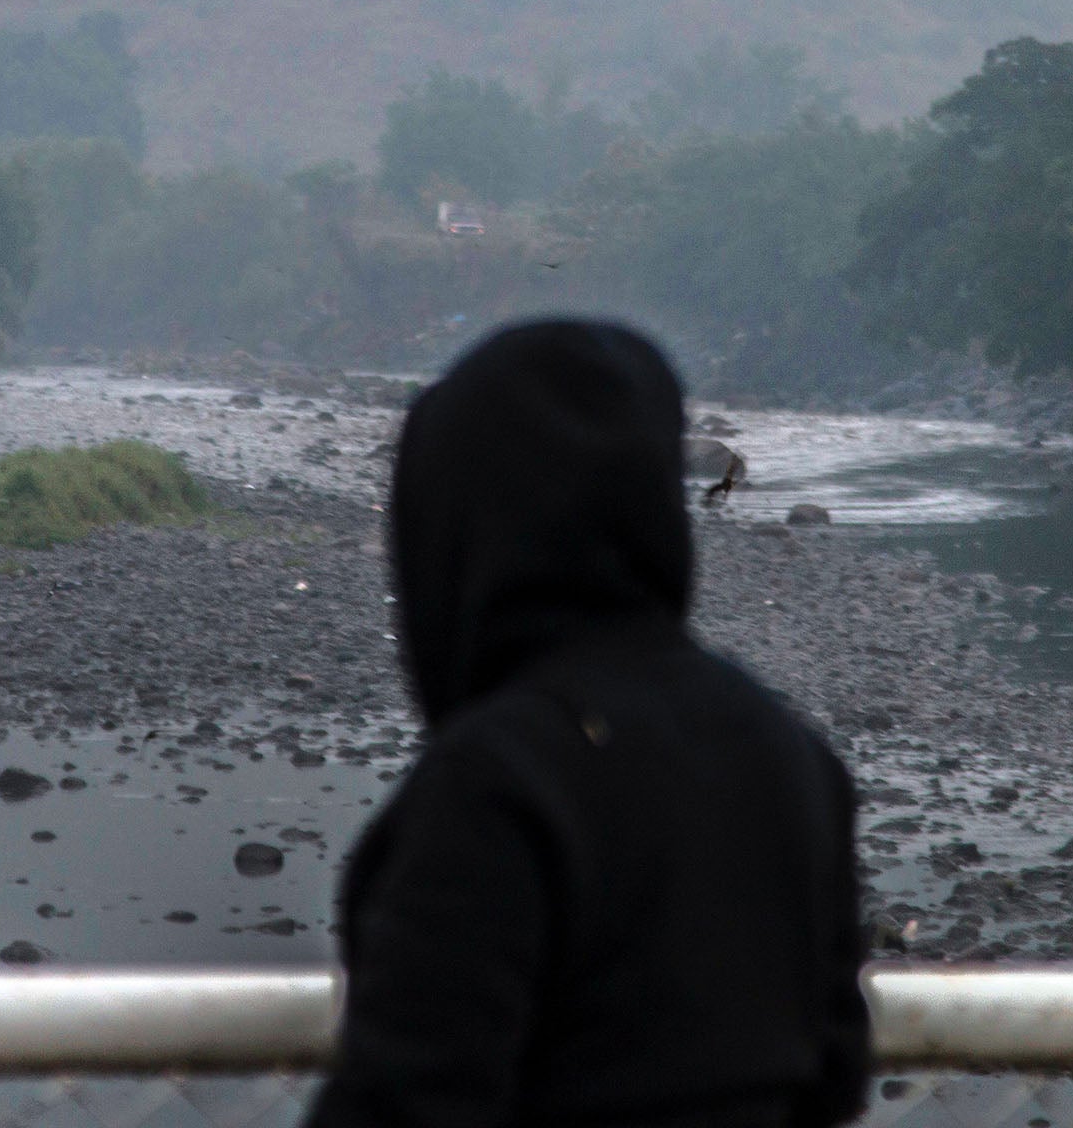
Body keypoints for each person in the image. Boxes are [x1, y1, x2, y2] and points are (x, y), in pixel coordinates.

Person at [306, 320, 871, 1128]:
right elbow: (835, 1072)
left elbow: (407, 1102)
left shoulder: (496, 784)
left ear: (457, 529)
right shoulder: (793, 757)